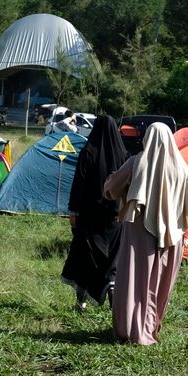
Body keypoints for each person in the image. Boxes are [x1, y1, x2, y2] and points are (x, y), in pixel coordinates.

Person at [102, 122, 188, 345]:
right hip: (173, 236)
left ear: (147, 138)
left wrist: (114, 183)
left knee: (134, 281)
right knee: (160, 284)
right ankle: (149, 328)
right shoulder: (182, 169)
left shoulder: (136, 163)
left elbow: (110, 190)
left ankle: (131, 330)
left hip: (139, 234)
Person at [61, 115, 128, 312]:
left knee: (85, 258)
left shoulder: (89, 151)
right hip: (115, 217)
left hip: (89, 217)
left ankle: (80, 302)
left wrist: (74, 211)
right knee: (111, 261)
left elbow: (79, 185)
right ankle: (114, 301)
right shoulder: (123, 155)